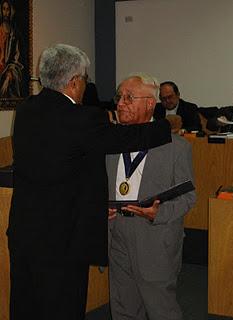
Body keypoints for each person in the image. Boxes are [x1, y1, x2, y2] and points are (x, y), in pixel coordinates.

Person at [7, 44, 172, 320]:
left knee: (25, 306)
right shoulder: (82, 118)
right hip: (63, 241)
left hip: (25, 232)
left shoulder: (25, 110)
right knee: (63, 308)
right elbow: (127, 139)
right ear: (74, 82)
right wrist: (167, 125)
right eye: (85, 79)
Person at [107, 73, 196, 320]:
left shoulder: (177, 148)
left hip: (155, 236)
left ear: (149, 104)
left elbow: (188, 197)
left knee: (161, 310)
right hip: (117, 234)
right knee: (123, 307)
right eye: (119, 96)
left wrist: (158, 213)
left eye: (129, 97)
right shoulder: (109, 143)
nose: (120, 102)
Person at [0, 0, 23, 97]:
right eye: (3, 9)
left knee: (10, 78)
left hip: (9, 68)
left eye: (7, 9)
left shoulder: (14, 34)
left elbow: (16, 57)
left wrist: (10, 71)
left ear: (11, 11)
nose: (6, 12)